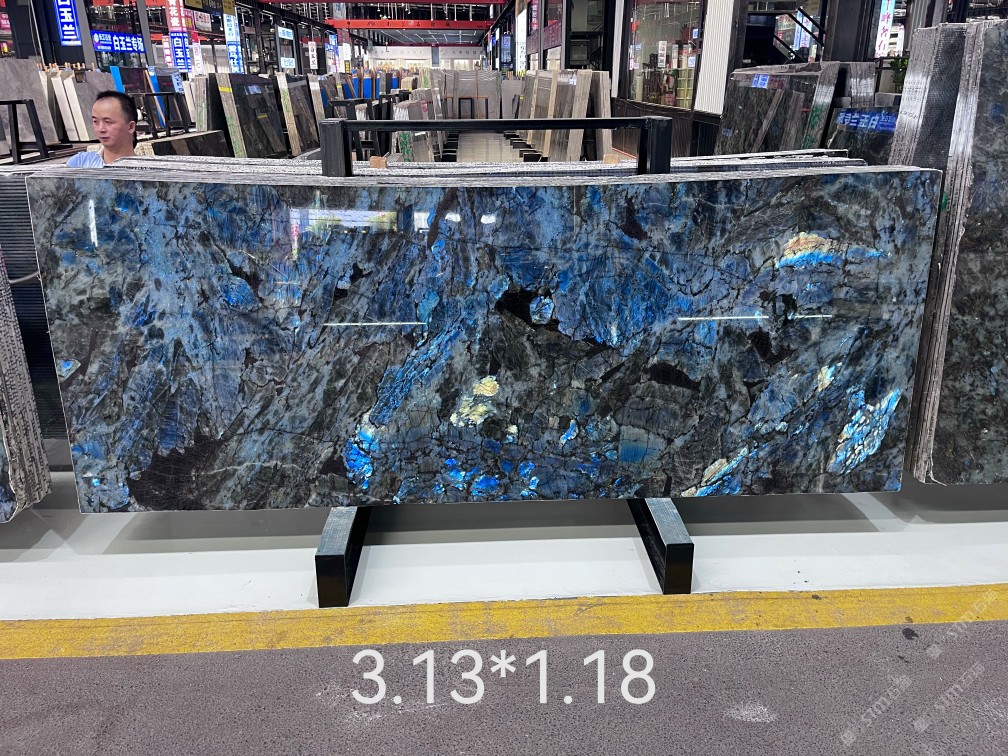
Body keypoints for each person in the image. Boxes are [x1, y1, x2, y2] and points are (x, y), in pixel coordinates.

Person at [66, 91, 138, 168]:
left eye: (108, 122)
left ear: (131, 127)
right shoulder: (79, 163)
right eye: (95, 121)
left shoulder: (143, 169)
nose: (101, 129)